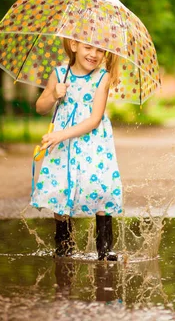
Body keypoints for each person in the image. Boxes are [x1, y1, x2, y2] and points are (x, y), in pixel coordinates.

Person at [30, 38, 123, 261]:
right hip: (63, 145)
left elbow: (94, 119)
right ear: (74, 46)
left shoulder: (103, 77)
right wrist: (53, 94)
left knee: (100, 186)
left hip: (92, 141)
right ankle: (64, 244)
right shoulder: (60, 74)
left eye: (100, 50)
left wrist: (62, 134)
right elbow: (40, 107)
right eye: (88, 47)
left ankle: (105, 246)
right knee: (60, 185)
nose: (94, 54)